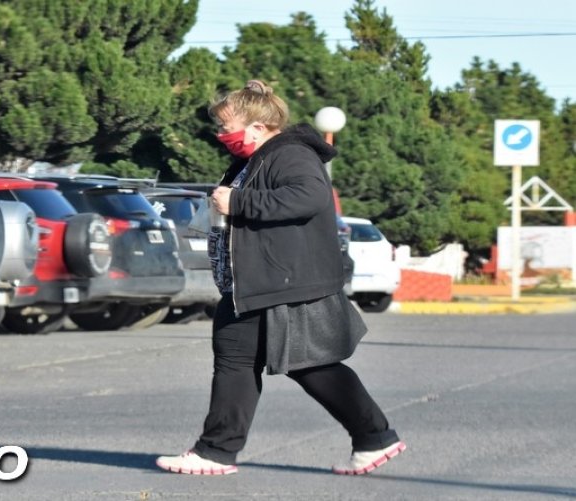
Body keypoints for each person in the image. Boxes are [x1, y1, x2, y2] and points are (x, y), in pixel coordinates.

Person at [156, 80, 405, 476]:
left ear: (257, 127)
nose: (220, 134)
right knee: (241, 361)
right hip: (253, 285)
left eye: (226, 126)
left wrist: (238, 201)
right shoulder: (256, 159)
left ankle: (373, 436)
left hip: (278, 285)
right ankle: (217, 451)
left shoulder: (289, 154)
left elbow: (309, 197)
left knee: (308, 365)